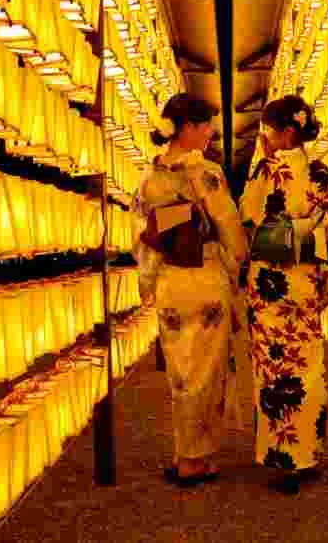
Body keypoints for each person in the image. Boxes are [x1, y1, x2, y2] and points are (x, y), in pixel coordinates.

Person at [132, 93, 248, 487]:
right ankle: (197, 459)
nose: (211, 132)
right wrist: (239, 261)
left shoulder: (149, 176)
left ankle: (187, 456)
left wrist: (148, 281)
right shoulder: (206, 173)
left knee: (182, 373)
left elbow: (142, 233)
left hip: (170, 282)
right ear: (188, 129)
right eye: (206, 125)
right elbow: (229, 225)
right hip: (204, 276)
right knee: (207, 370)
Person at [240, 95, 328, 494]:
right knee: (304, 370)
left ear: (288, 130)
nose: (265, 136)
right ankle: (304, 455)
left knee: (274, 374)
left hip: (268, 283)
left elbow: (247, 212)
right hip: (301, 283)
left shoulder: (264, 171)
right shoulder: (318, 172)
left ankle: (285, 457)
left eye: (270, 128)